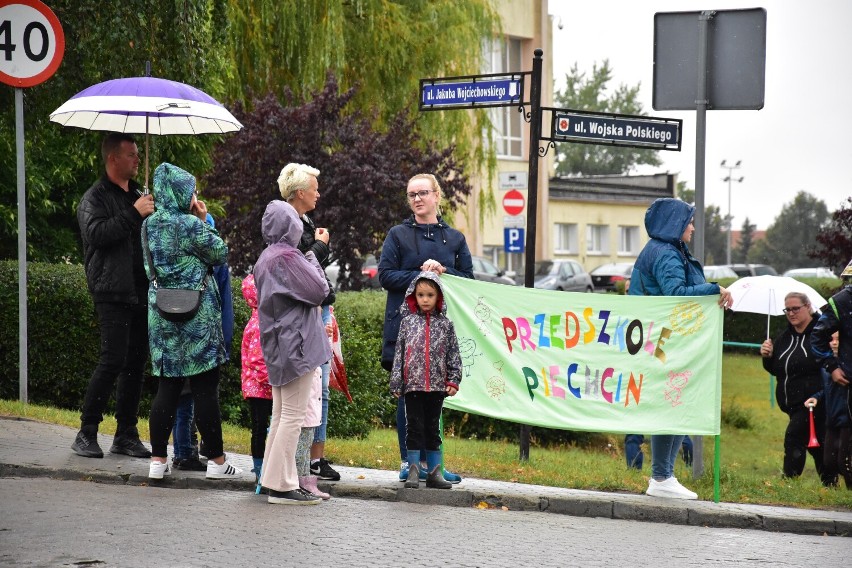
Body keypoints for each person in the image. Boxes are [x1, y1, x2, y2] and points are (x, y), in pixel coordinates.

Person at [143, 162, 242, 481]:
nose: (194, 196)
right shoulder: (190, 224)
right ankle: (216, 461)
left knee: (167, 387)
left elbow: (148, 268)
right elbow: (220, 253)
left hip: (161, 317)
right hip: (198, 318)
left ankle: (157, 461)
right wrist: (203, 221)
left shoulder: (148, 225)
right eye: (192, 191)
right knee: (204, 389)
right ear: (182, 193)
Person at [629, 197, 733, 499]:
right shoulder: (665, 254)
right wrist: (714, 289)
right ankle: (661, 477)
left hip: (668, 340)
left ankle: (664, 475)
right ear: (675, 224)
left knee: (675, 403)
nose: (692, 227)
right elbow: (675, 293)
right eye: (689, 221)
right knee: (669, 404)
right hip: (665, 341)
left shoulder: (669, 250)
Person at [379, 173, 474, 483]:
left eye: (422, 193)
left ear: (436, 195)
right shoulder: (397, 235)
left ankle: (435, 464)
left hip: (441, 336)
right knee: (410, 399)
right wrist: (421, 276)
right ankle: (409, 461)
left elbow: (468, 282)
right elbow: (386, 276)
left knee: (435, 401)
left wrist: (444, 272)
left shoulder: (456, 238)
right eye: (411, 195)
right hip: (406, 333)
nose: (416, 199)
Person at [73, 133, 154, 459]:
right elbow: (97, 235)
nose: (137, 160)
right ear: (113, 159)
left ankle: (126, 434)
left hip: (140, 289)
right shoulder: (94, 198)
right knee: (112, 360)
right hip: (111, 290)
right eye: (131, 155)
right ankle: (86, 431)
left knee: (135, 364)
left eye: (137, 154)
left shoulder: (138, 194)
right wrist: (134, 214)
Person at [254, 199, 331, 505]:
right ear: (292, 226)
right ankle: (281, 486)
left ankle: (274, 480)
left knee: (281, 414)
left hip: (277, 345)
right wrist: (312, 257)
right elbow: (319, 291)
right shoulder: (288, 257)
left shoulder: (266, 257)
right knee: (293, 416)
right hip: (296, 345)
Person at [277, 163, 340, 482]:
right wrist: (321, 245)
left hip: (319, 309)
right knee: (302, 394)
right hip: (303, 315)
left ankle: (315, 458)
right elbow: (297, 266)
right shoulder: (286, 224)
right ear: (300, 192)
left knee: (322, 390)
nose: (319, 193)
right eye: (315, 188)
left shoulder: (307, 220)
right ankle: (294, 466)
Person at [171, 213, 234, 472]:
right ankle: (192, 451)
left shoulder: (174, 251)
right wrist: (225, 339)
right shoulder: (213, 260)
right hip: (205, 334)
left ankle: (181, 450)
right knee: (201, 395)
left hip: (175, 333)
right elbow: (225, 304)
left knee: (180, 394)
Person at [390, 272, 462, 489]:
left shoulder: (446, 325)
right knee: (414, 428)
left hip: (437, 387)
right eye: (420, 294)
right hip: (412, 386)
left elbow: (453, 354)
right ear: (414, 296)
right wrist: (396, 382)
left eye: (430, 295)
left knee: (432, 429)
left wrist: (453, 379)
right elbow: (399, 355)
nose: (425, 299)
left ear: (438, 296)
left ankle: (434, 472)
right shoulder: (407, 323)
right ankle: (413, 470)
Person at [761, 291, 831, 485]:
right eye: (787, 310)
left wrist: (820, 395)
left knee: (793, 437)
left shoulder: (820, 333)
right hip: (791, 404)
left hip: (814, 402)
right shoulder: (784, 337)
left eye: (795, 309)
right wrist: (767, 357)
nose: (791, 313)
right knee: (817, 446)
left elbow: (829, 365)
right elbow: (776, 370)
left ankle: (788, 481)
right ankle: (830, 482)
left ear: (808, 307)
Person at [811, 259, 852, 487]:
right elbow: (817, 337)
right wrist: (832, 366)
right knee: (838, 457)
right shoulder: (842, 302)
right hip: (848, 384)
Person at [240, 274, 273, 487]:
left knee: (259, 428)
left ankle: (260, 467)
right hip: (262, 387)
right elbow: (258, 360)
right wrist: (274, 381)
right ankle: (261, 470)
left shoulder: (256, 319)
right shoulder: (263, 323)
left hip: (255, 386)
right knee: (262, 428)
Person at [807, 333, 851, 489]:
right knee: (829, 462)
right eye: (831, 339)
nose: (834, 343)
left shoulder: (848, 363)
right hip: (832, 418)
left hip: (848, 418)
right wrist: (816, 397)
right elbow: (826, 389)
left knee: (844, 462)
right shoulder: (827, 365)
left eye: (839, 339)